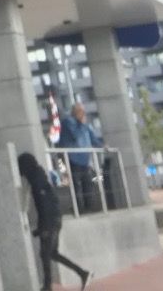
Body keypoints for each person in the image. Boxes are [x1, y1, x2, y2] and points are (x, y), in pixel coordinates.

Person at [18, 152, 91, 290]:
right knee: (52, 253)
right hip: (55, 218)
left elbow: (44, 204)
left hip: (50, 220)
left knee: (45, 254)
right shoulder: (39, 176)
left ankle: (48, 286)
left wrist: (43, 227)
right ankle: (82, 273)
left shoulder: (36, 180)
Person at [57, 101, 104, 210]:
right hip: (73, 158)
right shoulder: (68, 122)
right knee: (76, 183)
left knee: (87, 182)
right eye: (80, 111)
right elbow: (76, 135)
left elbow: (93, 139)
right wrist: (81, 123)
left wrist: (102, 146)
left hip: (85, 158)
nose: (82, 113)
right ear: (74, 111)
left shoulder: (85, 125)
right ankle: (79, 208)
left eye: (83, 111)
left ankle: (89, 206)